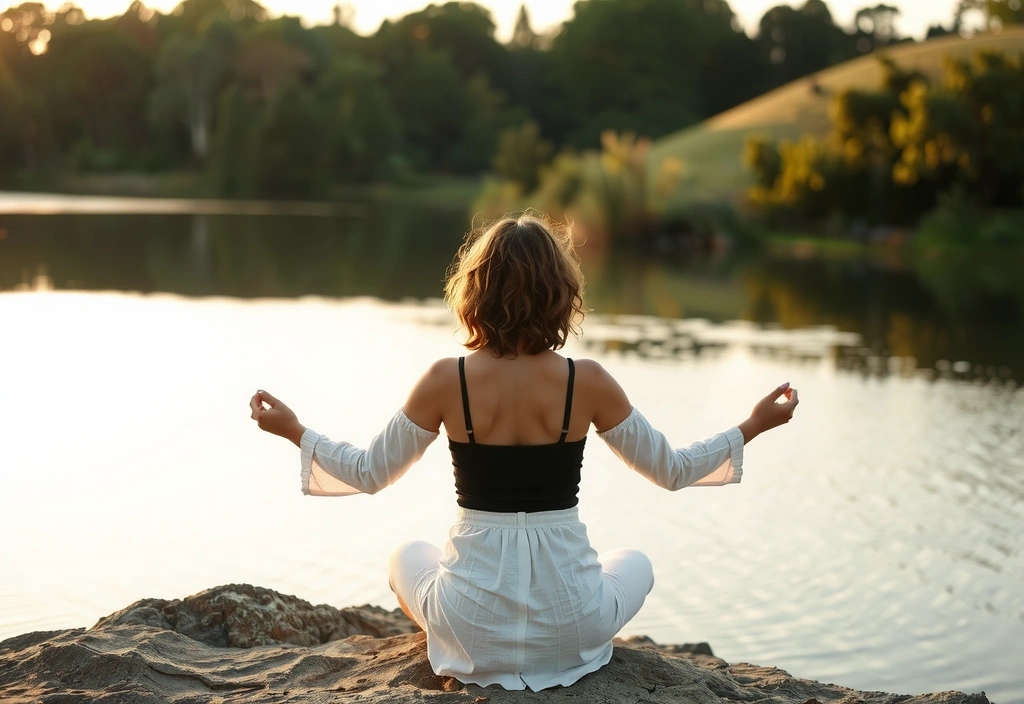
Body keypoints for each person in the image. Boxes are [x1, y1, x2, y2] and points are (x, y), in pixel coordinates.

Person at [249, 214, 798, 691]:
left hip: (471, 626)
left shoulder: (447, 379)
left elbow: (368, 473)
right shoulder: (588, 382)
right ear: (560, 291)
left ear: (475, 291)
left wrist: (295, 430)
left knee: (404, 557)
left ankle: (469, 636)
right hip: (571, 625)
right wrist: (754, 424)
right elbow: (673, 471)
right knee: (636, 564)